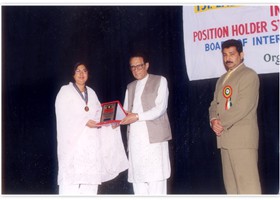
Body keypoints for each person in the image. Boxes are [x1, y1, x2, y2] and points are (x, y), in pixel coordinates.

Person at [55, 62, 128, 195]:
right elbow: (63, 115)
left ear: (88, 73)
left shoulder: (92, 93)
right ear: (72, 74)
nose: (81, 74)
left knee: (90, 186)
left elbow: (99, 115)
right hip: (74, 147)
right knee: (69, 184)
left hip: (91, 146)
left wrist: (111, 122)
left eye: (84, 71)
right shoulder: (65, 91)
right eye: (78, 71)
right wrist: (84, 121)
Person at [209, 39, 261, 194]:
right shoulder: (221, 79)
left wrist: (220, 122)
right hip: (225, 139)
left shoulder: (249, 75)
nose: (227, 58)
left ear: (241, 55)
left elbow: (243, 107)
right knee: (232, 190)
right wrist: (213, 120)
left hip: (242, 140)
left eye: (232, 54)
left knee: (248, 188)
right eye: (224, 55)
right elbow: (214, 105)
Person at [120, 52, 172, 195]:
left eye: (139, 66)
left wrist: (137, 116)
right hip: (135, 142)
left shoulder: (160, 80)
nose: (136, 70)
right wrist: (114, 120)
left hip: (154, 141)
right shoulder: (130, 86)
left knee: (157, 183)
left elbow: (160, 109)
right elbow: (125, 112)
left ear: (147, 65)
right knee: (139, 184)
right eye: (133, 67)